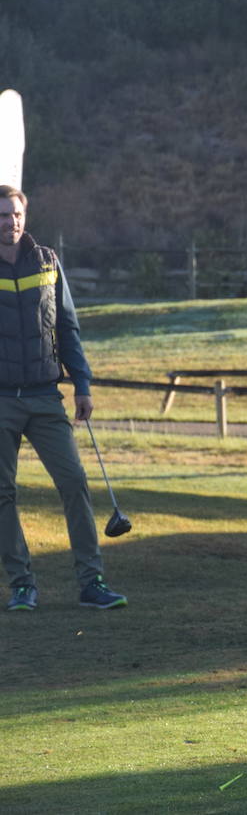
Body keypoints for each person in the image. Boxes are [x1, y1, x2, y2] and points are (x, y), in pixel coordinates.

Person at [0, 185, 126, 612]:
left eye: (15, 214)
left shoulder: (48, 263)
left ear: (25, 216)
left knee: (74, 483)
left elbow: (67, 329)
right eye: (2, 215)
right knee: (2, 494)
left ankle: (92, 582)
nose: (10, 222)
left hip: (44, 397)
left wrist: (83, 384)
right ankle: (22, 585)